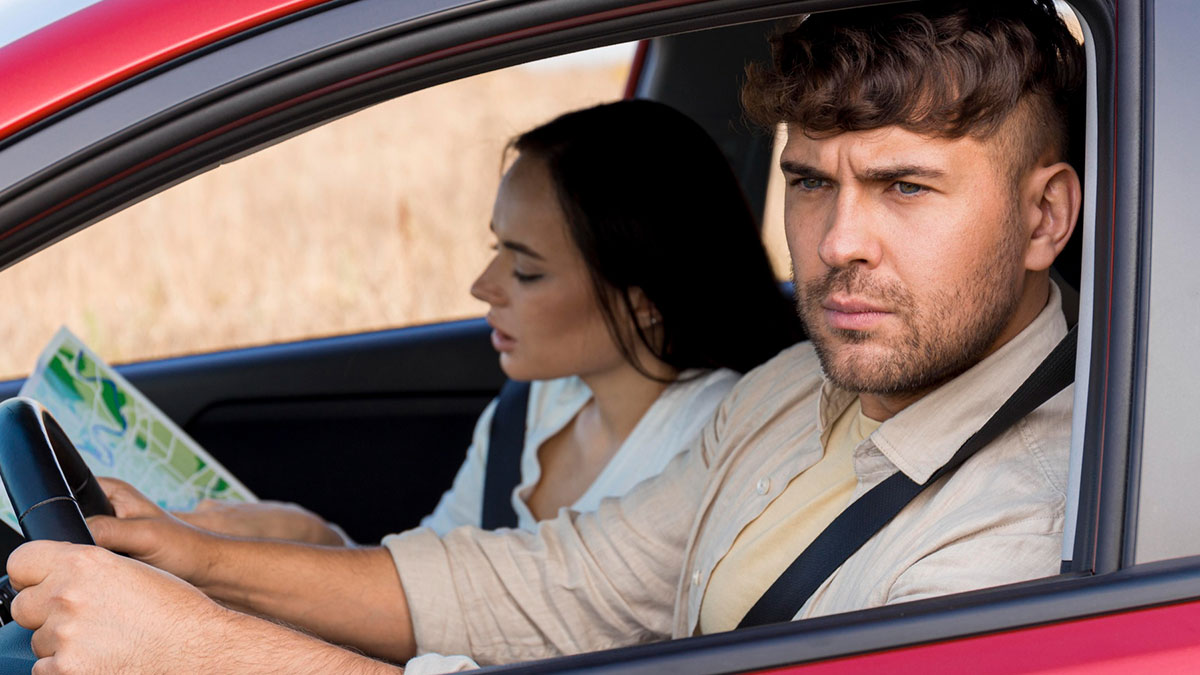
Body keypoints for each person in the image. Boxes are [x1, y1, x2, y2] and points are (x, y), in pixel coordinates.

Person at [5, 1, 1085, 672]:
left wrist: (205, 651)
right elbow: (558, 585)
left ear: (1045, 217)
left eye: (906, 187)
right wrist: (195, 560)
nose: (839, 242)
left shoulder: (1032, 531)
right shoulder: (797, 391)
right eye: (809, 182)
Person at [174, 99, 802, 545]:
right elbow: (431, 587)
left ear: (643, 298)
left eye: (526, 270)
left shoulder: (714, 441)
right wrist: (319, 542)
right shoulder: (536, 406)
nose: (483, 286)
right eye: (496, 247)